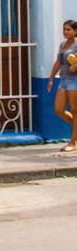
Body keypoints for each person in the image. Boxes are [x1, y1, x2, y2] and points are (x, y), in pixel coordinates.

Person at [47, 20, 77, 153]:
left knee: (75, 111)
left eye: (69, 29)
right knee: (58, 109)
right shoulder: (62, 45)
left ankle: (73, 142)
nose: (65, 32)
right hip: (63, 80)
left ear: (75, 31)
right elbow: (58, 62)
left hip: (74, 80)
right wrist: (51, 78)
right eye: (64, 29)